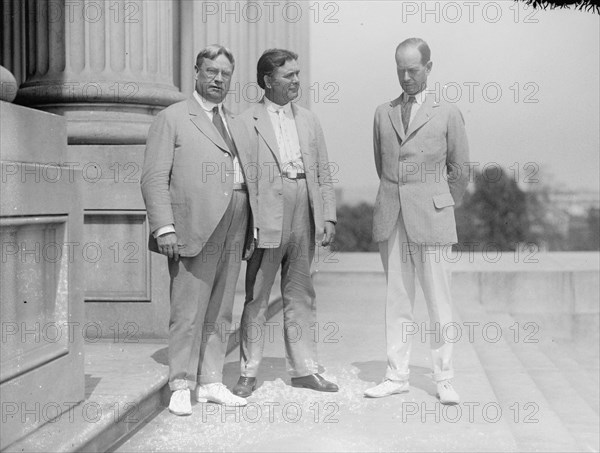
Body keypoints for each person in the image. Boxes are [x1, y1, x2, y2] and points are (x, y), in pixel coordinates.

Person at [141, 45, 257, 415]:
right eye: (211, 71)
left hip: (237, 218)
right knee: (188, 308)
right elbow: (154, 178)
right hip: (193, 223)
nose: (218, 79)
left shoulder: (237, 122)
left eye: (224, 74)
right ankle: (180, 383)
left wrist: (255, 224)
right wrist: (164, 228)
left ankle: (210, 381)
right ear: (196, 72)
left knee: (222, 307)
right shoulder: (172, 118)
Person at [365, 38, 470, 405]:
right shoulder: (383, 112)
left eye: (413, 69)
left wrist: (440, 204)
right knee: (397, 300)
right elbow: (383, 166)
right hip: (393, 217)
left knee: (439, 302)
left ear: (429, 67)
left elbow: (459, 169)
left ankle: (444, 377)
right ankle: (396, 375)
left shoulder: (447, 112)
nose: (406, 77)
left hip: (434, 218)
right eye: (400, 69)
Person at [232, 49, 338, 397]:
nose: (296, 81)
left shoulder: (309, 119)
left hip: (304, 211)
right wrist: (251, 226)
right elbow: (243, 178)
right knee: (258, 296)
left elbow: (322, 171)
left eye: (297, 74)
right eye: (288, 76)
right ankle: (248, 372)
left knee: (300, 293)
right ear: (267, 81)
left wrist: (328, 216)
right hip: (268, 215)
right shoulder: (245, 121)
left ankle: (305, 369)